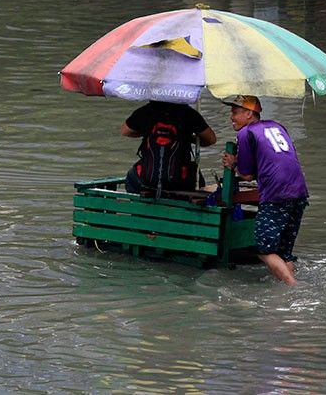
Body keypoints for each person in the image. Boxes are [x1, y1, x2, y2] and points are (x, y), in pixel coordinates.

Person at [220, 95, 309, 285]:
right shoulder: (277, 126)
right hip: (300, 192)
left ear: (249, 114)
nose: (231, 117)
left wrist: (232, 164)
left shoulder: (246, 133)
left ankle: (295, 288)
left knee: (264, 249)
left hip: (277, 194)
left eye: (235, 112)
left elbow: (247, 175)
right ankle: (287, 289)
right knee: (284, 252)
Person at [121, 100, 217, 195]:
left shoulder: (146, 110)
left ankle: (140, 206)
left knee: (131, 176)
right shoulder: (188, 113)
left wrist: (147, 131)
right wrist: (188, 137)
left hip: (147, 182)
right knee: (196, 175)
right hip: (180, 183)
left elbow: (125, 131)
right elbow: (211, 139)